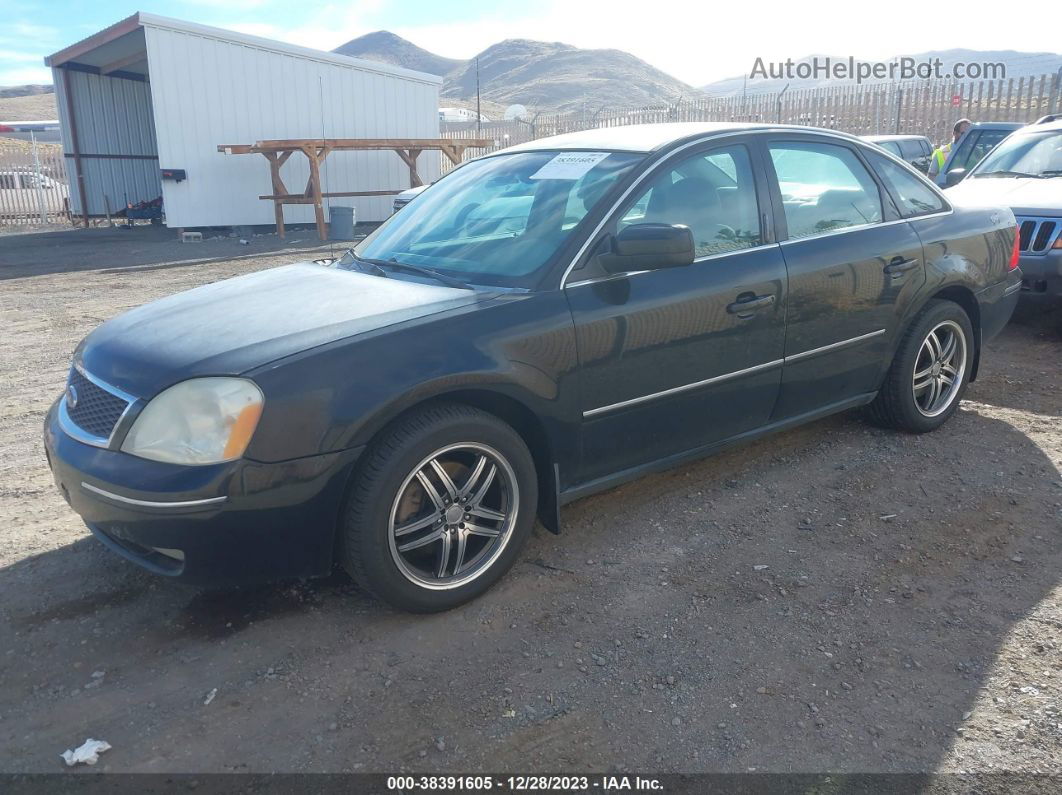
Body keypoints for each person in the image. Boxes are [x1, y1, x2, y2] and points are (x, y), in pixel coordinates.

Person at [929, 118, 972, 183]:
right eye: (963, 133)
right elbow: (931, 177)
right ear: (955, 133)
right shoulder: (941, 153)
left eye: (970, 134)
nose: (968, 137)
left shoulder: (977, 153)